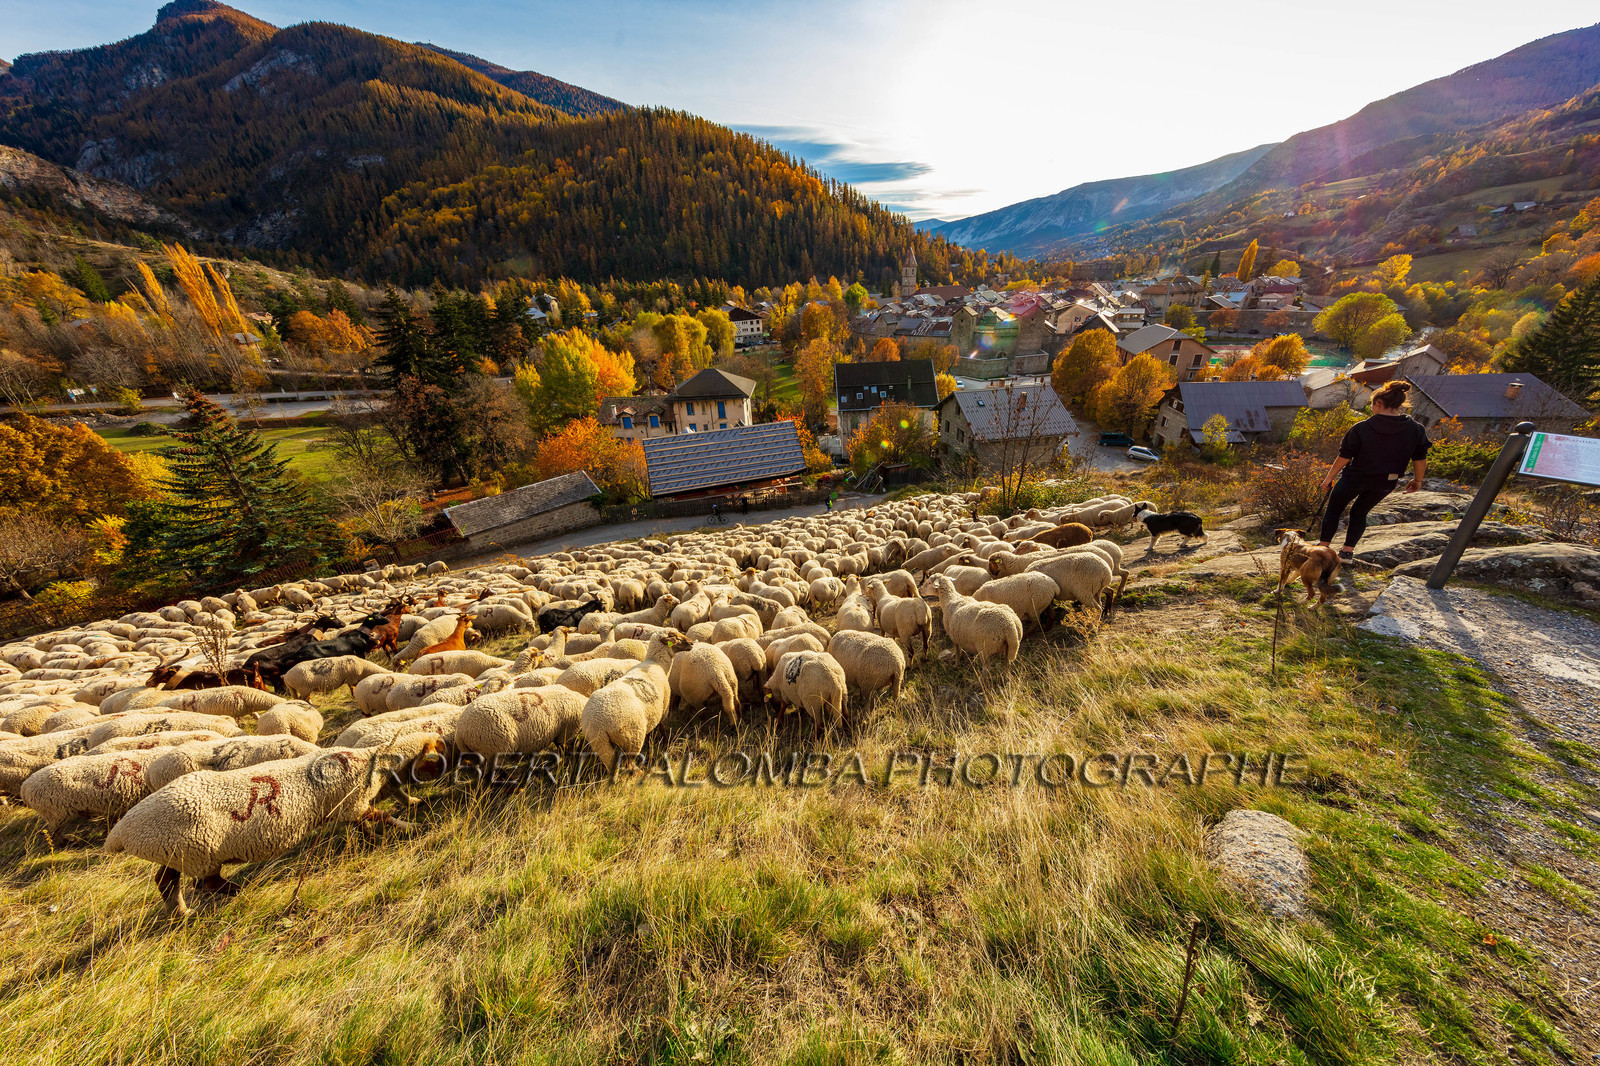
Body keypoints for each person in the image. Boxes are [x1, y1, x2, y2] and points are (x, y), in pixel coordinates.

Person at [1316, 380, 1431, 560]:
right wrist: (1417, 481)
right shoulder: (1416, 429)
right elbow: (1419, 458)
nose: (1371, 408)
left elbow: (1345, 456)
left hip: (1356, 478)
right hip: (1386, 481)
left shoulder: (1362, 428)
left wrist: (1328, 478)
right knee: (1360, 513)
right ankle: (1347, 552)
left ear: (1378, 403)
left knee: (1334, 510)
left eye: (1372, 404)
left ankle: (1322, 550)